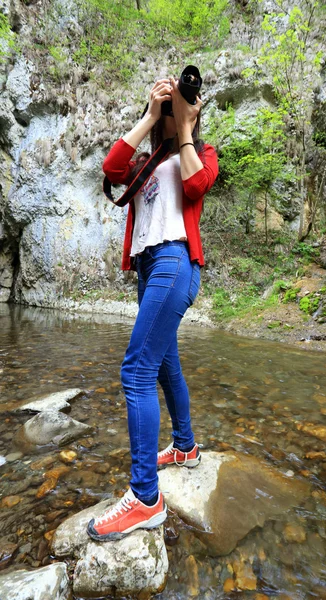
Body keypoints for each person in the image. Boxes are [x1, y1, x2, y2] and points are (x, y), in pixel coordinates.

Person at [86, 75, 219, 542]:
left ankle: (145, 498)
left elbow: (198, 186)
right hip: (148, 267)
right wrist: (149, 115)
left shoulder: (201, 153)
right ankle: (185, 447)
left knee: (135, 371)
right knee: (164, 365)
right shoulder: (144, 161)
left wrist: (185, 127)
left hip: (175, 261)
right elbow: (111, 166)